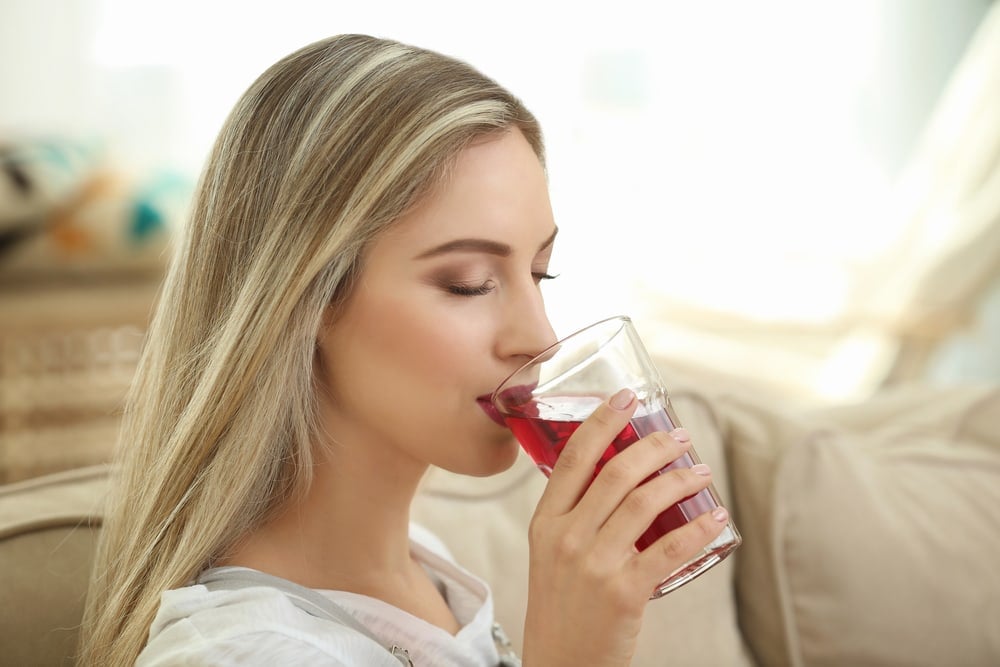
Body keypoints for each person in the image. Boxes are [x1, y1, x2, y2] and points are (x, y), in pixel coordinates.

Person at [80, 34, 730, 667]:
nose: (540, 339)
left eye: (539, 274)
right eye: (468, 283)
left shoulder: (427, 569)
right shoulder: (239, 652)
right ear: (305, 296)